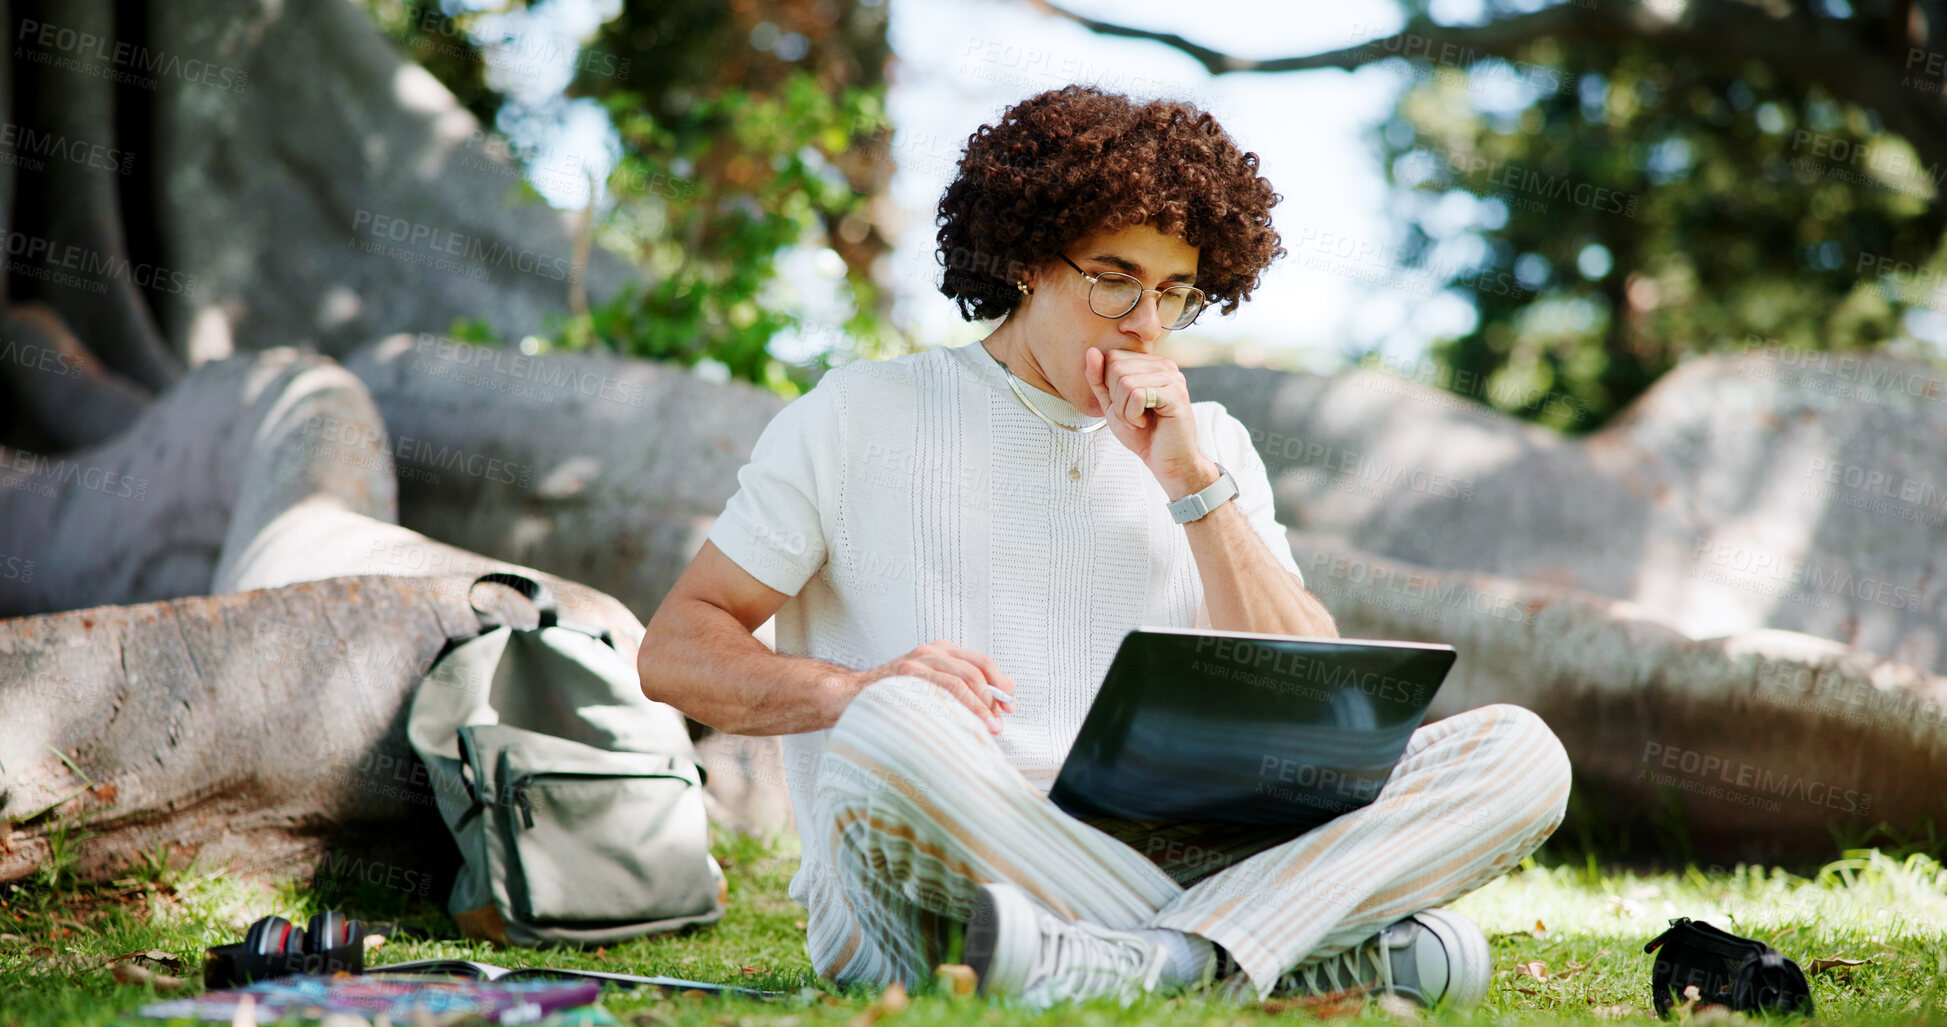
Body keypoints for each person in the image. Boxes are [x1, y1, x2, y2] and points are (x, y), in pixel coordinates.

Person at [638, 84, 1571, 1010]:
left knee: (1521, 754)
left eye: (1173, 292)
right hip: (935, 858)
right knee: (892, 725)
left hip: (1183, 845)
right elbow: (676, 645)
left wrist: (1190, 484)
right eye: (1114, 279)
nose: (1144, 323)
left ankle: (1138, 964)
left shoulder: (1210, 448)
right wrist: (853, 689)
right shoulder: (856, 415)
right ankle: (1279, 948)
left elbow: (1317, 688)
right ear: (1027, 261)